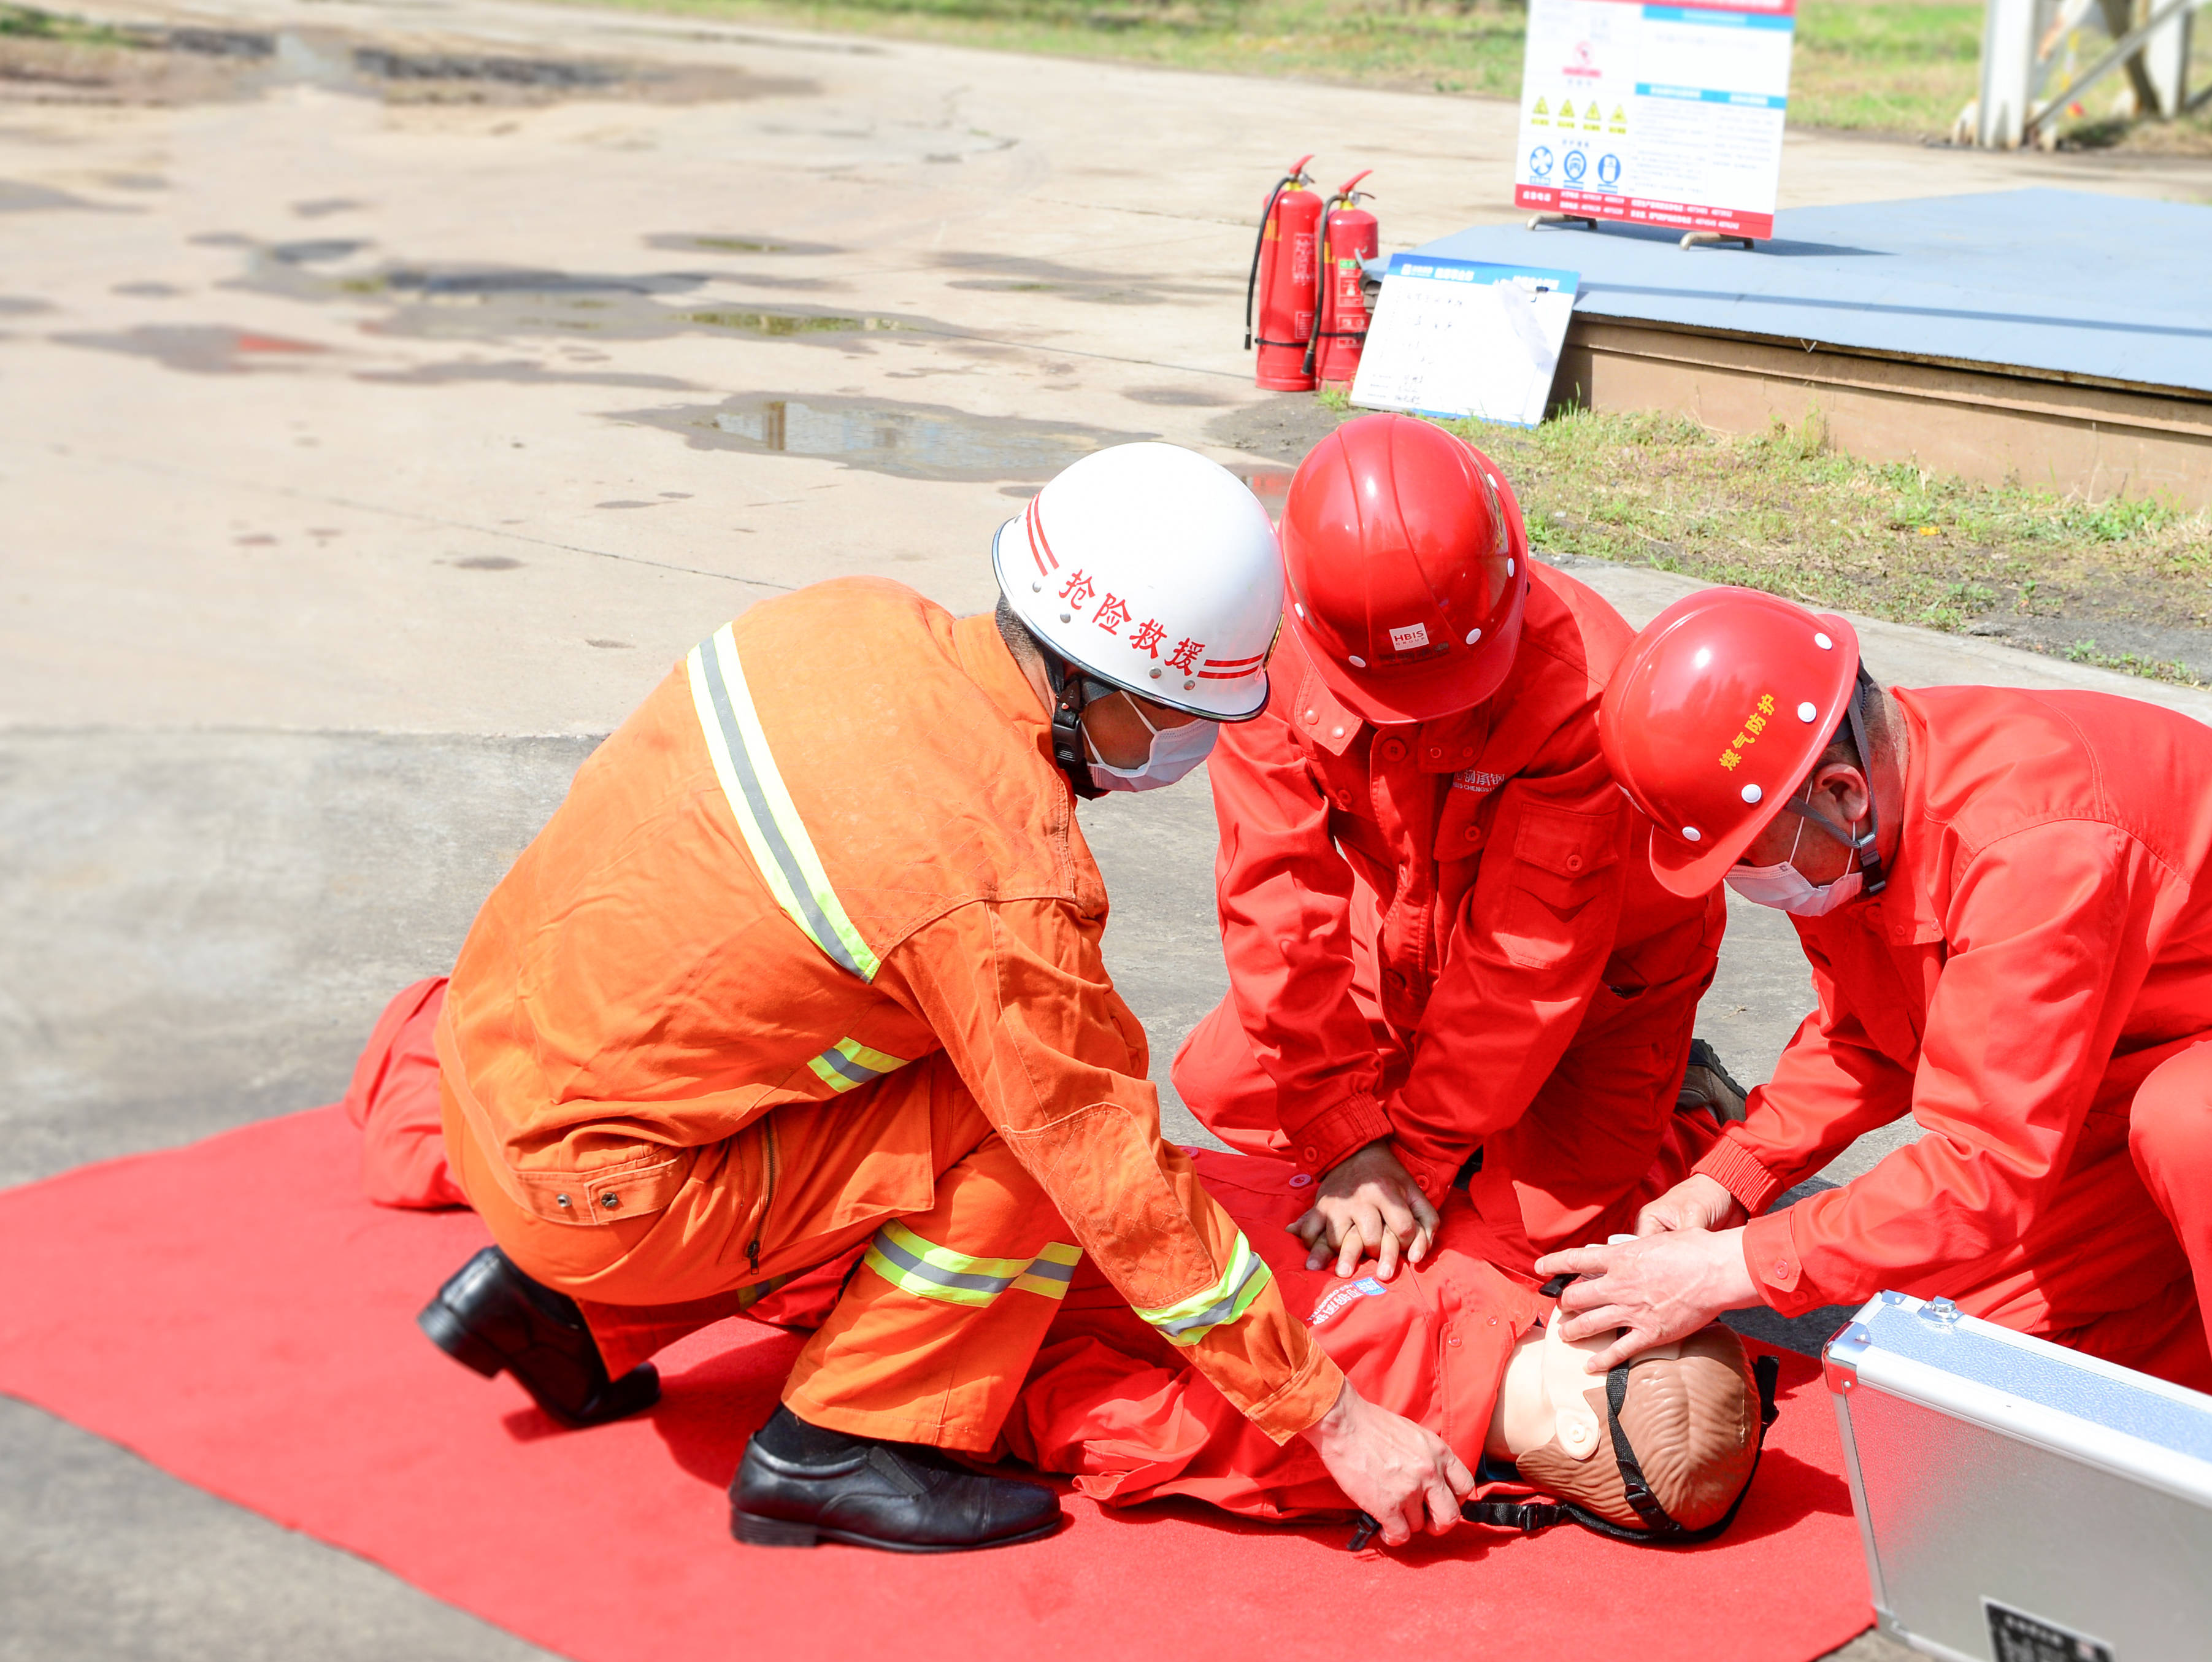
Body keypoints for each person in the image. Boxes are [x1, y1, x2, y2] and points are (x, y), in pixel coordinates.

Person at [415, 443, 1473, 1554]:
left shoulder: (846, 620)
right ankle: (838, 1443)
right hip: (597, 1191)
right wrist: (1334, 1417)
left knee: (927, 1045)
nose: (1191, 747)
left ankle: (565, 1320)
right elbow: (1111, 1172)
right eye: (1179, 713)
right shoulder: (999, 873)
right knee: (1034, 1141)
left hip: (492, 1079)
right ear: (1104, 689)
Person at [1546, 587, 2212, 1580]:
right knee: (1968, 1366)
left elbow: (1981, 1176)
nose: (1750, 886)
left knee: (2209, 1127)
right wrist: (1727, 1178)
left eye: (1747, 860)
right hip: (2141, 1068)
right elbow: (1866, 1037)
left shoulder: (2032, 849)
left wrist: (1728, 1268)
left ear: (1843, 796)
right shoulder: (1854, 830)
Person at [1172, 414, 1738, 1285]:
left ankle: (1683, 1118)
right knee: (1232, 1085)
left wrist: (1417, 1159)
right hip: (1401, 951)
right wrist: (1345, 1134)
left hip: (1592, 989)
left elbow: (1527, 965)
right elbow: (1274, 897)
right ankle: (1461, 1122)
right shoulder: (1270, 647)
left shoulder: (1586, 690)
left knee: (1524, 1251)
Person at [1004, 1154, 1771, 1544]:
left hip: (1017, 1237)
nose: (1638, 1306)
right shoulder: (1527, 1290)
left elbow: (1116, 1424)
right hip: (1116, 1165)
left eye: (1642, 1336)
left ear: (1579, 1427)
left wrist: (966, 1378)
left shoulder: (1355, 1445)